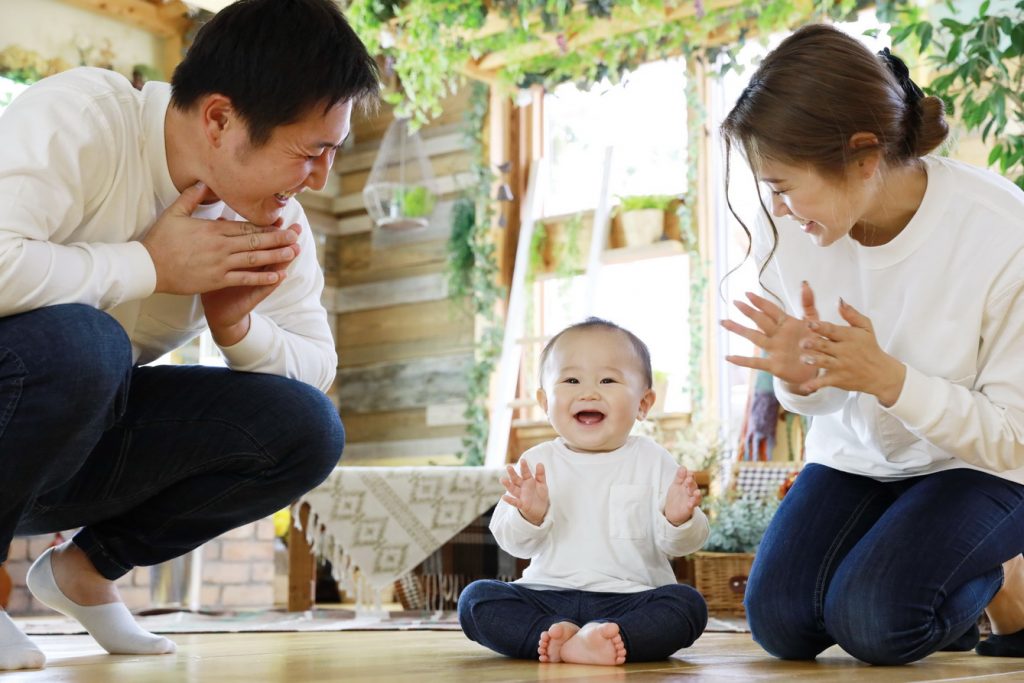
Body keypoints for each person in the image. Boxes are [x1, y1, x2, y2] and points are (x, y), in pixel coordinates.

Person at [0, 0, 379, 671]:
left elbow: (316, 364)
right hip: (23, 395)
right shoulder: (82, 118)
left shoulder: (272, 214)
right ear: (218, 119)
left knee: (308, 425)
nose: (318, 178)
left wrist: (237, 326)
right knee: (91, 346)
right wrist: (148, 264)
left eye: (332, 153)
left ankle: (84, 572)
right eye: (310, 151)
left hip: (71, 442)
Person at [720, 23, 1024, 666]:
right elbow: (821, 402)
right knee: (781, 624)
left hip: (986, 468)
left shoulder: (1002, 233)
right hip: (860, 461)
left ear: (862, 156)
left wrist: (890, 379)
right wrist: (800, 380)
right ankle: (934, 571)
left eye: (783, 184)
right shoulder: (794, 232)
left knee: (875, 625)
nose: (776, 208)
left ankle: (1001, 577)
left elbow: (1014, 436)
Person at [458, 318, 709, 665]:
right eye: (571, 380)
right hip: (546, 595)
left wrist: (679, 519)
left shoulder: (654, 460)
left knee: (687, 605)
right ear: (545, 402)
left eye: (608, 380)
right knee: (476, 599)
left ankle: (605, 637)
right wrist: (528, 515)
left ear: (643, 403)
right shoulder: (537, 461)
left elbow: (682, 545)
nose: (588, 392)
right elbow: (513, 542)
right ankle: (557, 635)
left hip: (630, 599)